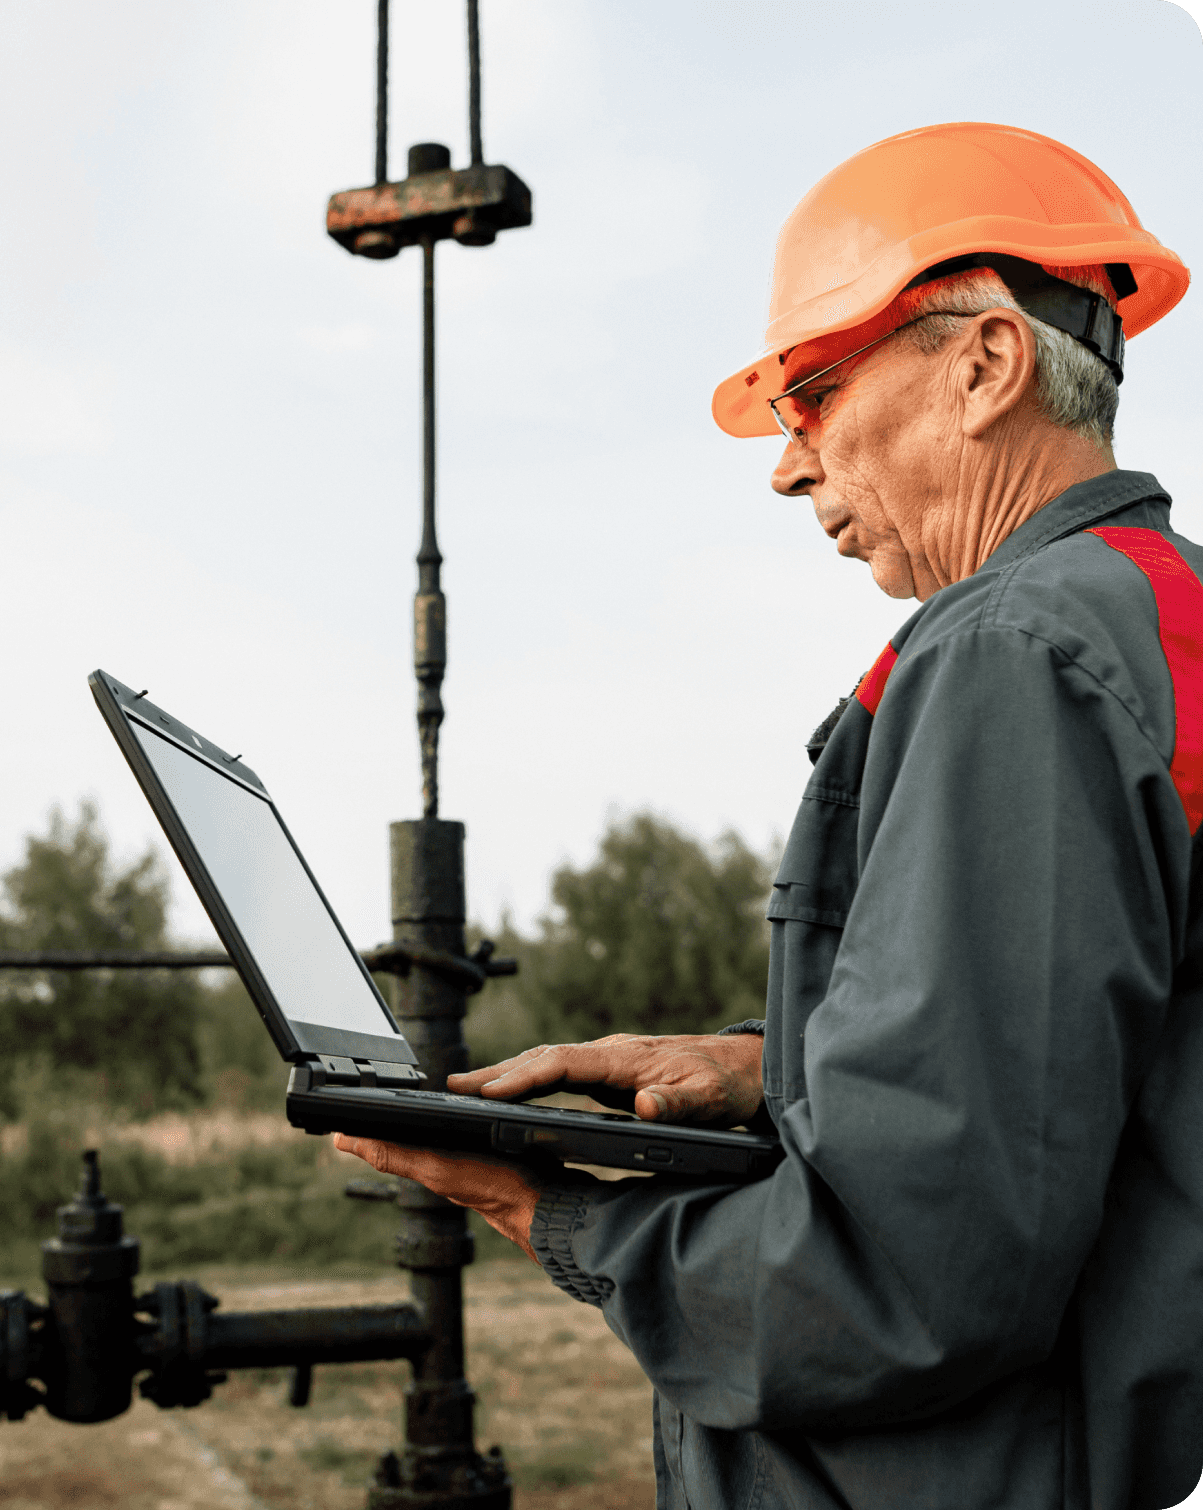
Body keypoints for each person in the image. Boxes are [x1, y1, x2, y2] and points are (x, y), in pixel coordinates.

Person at [336, 123, 1203, 1510]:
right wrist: (770, 1068)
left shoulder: (1011, 650)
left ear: (983, 366)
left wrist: (548, 1205)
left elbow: (908, 1280)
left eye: (809, 393)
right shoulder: (1154, 611)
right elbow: (1109, 1059)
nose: (790, 466)